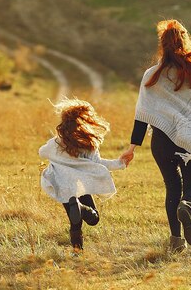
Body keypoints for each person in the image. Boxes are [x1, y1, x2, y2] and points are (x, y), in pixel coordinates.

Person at [120, 19, 191, 253]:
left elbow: (142, 114)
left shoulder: (152, 75)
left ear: (162, 45)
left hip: (162, 141)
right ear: (185, 41)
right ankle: (188, 206)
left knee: (172, 187)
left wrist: (132, 147)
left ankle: (176, 242)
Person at [39, 98, 126, 251]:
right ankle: (81, 207)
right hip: (81, 186)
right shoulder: (88, 144)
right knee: (93, 219)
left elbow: (41, 152)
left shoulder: (56, 143)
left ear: (64, 123)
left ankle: (77, 250)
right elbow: (99, 163)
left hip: (63, 186)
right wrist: (120, 163)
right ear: (84, 122)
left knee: (75, 221)